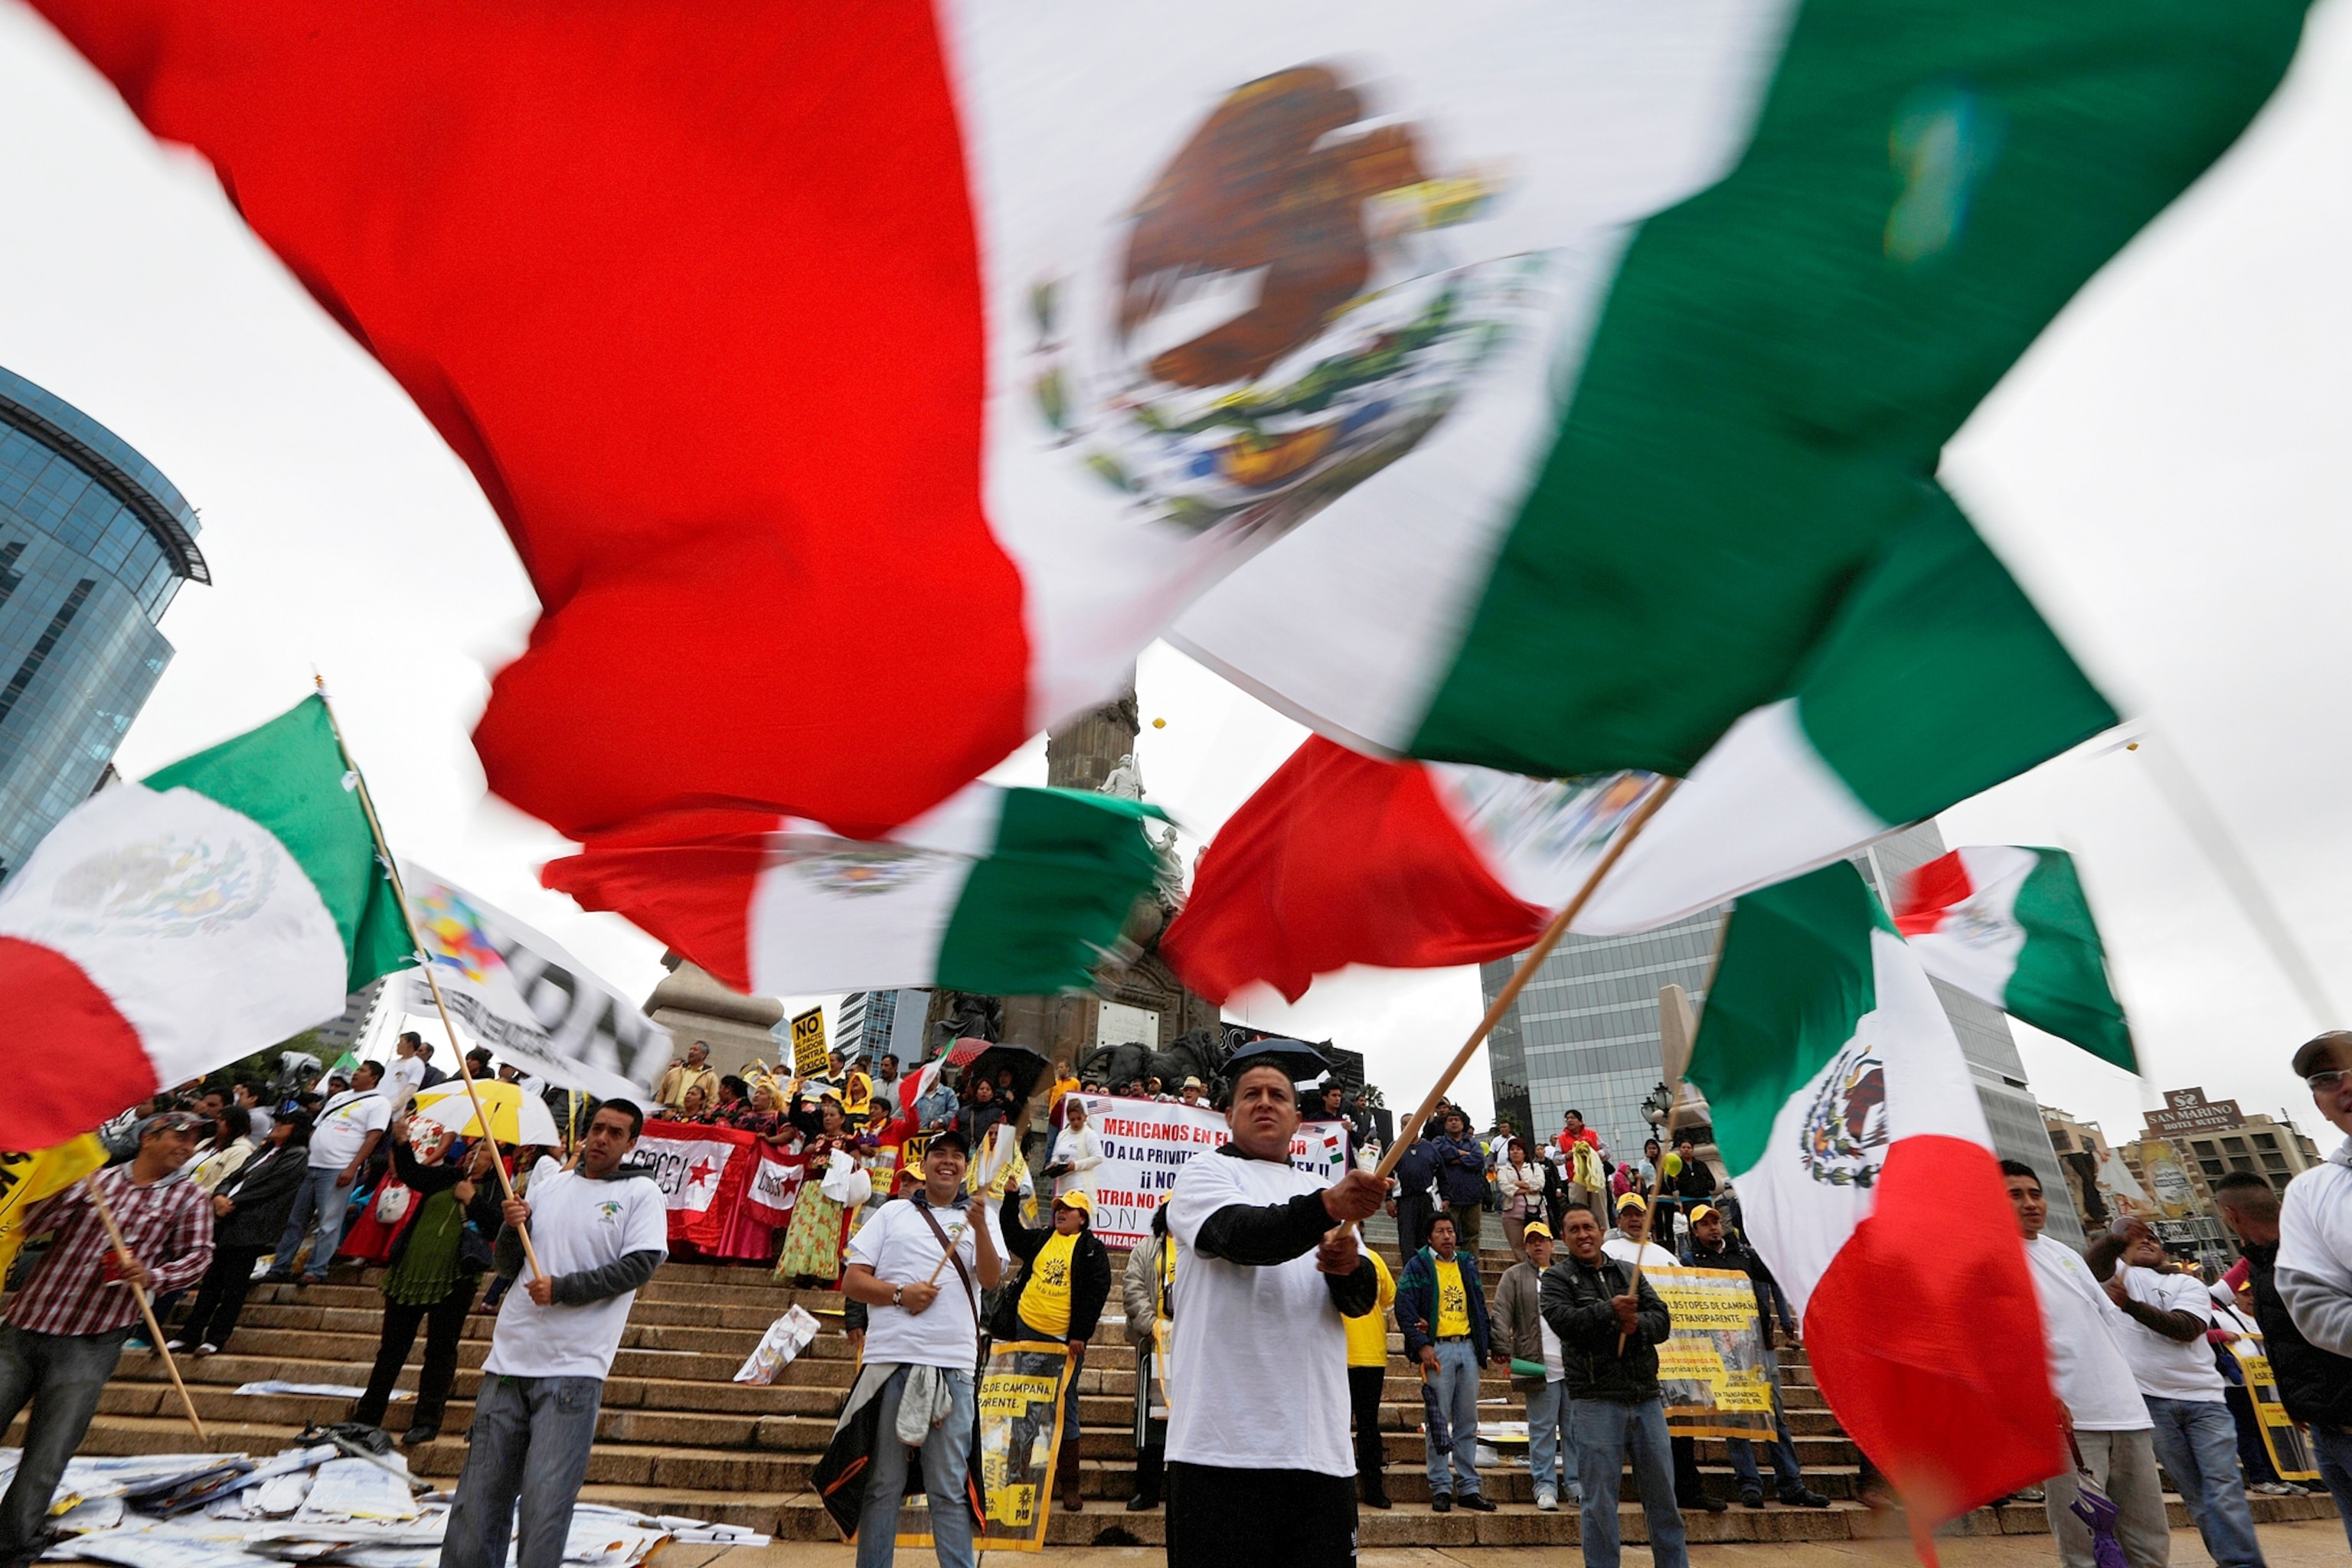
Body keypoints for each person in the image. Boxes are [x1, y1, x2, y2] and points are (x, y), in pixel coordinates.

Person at [1161, 1038, 1387, 1567]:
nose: (1265, 1103)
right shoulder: (1205, 1175)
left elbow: (1358, 1304)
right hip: (1218, 1450)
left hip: (1317, 1451)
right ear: (1228, 1113)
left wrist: (1349, 1269)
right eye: (1251, 1095)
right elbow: (1240, 1236)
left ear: (1297, 1117)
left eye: (1278, 1096)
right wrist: (1326, 1209)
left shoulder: (1321, 1188)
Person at [441, 1100, 667, 1568]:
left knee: (546, 1504)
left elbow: (640, 1265)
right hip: (508, 1362)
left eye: (616, 1133)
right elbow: (508, 1264)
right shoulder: (547, 1187)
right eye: (597, 1128)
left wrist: (564, 1289)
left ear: (631, 1143)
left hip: (574, 1368)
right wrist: (510, 1227)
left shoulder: (641, 1194)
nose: (602, 1138)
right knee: (478, 1497)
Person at [0, 1112, 213, 1564]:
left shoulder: (189, 1198)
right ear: (148, 1138)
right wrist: (65, 1190)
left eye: (195, 1139)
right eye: (180, 1136)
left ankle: (11, 1544)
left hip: (93, 1340)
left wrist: (152, 1273)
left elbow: (198, 1259)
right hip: (25, 1325)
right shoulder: (93, 1181)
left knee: (49, 1451)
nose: (188, 1145)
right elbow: (31, 1222)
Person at [825, 1129, 1005, 1568]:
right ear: (922, 1165)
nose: (948, 1162)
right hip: (890, 1364)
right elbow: (852, 1280)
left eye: (957, 1156)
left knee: (947, 1486)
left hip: (954, 1367)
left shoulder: (984, 1216)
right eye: (938, 1154)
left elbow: (990, 1279)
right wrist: (901, 1294)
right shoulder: (892, 1214)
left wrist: (981, 1227)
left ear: (966, 1167)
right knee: (883, 1483)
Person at [2004, 1160, 2170, 1568]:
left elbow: (2104, 1321)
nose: (2030, 1204)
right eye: (2015, 1195)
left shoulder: (2062, 1253)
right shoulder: (1991, 1263)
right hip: (2069, 1424)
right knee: (2085, 1550)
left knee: (2149, 1545)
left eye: (2035, 1193)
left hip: (2126, 1415)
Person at [2084, 1216, 2263, 1568]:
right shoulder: (2114, 1277)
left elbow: (2188, 1328)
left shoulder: (2186, 1282)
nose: (2146, 1241)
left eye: (2153, 1237)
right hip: (2151, 1403)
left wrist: (2131, 1307)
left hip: (2205, 1401)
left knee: (2224, 1491)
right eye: (2138, 1239)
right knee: (2198, 1498)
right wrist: (2118, 1241)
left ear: (2163, 1249)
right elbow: (2093, 1265)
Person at [1540, 1205, 1685, 1568]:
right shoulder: (1557, 1279)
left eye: (1588, 1226)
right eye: (1574, 1229)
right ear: (1564, 1237)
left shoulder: (1628, 1272)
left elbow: (1662, 1320)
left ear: (1602, 1230)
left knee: (1664, 1498)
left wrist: (1636, 1324)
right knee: (1599, 1502)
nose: (1583, 1234)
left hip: (1645, 1397)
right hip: (1595, 1401)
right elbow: (1566, 1322)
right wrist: (1609, 1311)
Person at [2217, 1167, 2352, 1540]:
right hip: (2322, 1422)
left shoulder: (2311, 1251)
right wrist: (2301, 1403)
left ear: (2230, 1216)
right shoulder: (2260, 1264)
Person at [352, 1122, 504, 1446]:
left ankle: (426, 1421)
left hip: (456, 1281)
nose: (478, 1159)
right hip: (411, 1273)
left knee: (440, 1352)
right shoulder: (446, 1176)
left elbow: (496, 1229)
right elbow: (411, 1174)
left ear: (495, 1164)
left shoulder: (496, 1191)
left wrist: (473, 1200)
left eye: (486, 1156)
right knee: (391, 1349)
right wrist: (403, 1142)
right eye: (477, 1153)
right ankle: (368, 1415)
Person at [1676, 1206, 1829, 1509]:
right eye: (1704, 1224)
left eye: (1715, 1222)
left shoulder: (1743, 1255)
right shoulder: (1690, 1261)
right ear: (1694, 1231)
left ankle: (1791, 1482)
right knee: (1736, 1418)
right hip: (1723, 1350)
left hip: (1757, 1346)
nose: (1712, 1228)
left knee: (1775, 1416)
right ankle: (1749, 1484)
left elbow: (1775, 1274)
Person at [994, 1190, 1111, 1515]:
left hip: (1065, 1344)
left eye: (1069, 1210)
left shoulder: (1091, 1250)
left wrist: (1079, 1335)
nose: (1061, 1213)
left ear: (1083, 1218)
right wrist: (1011, 1199)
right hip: (1028, 1332)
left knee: (1065, 1409)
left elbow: (1096, 1294)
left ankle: (1069, 1486)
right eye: (1059, 1208)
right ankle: (1017, 1480)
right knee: (1025, 1406)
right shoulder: (1044, 1237)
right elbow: (1012, 1234)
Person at [175, 1110, 312, 1356]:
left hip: (251, 1225)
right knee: (211, 1282)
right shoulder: (263, 1150)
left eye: (285, 1123)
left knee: (234, 1287)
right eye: (278, 1121)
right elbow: (233, 1176)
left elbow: (269, 1187)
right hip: (227, 1220)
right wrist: (220, 1194)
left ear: (296, 1129)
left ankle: (216, 1338)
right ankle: (189, 1334)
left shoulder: (297, 1156)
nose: (277, 1125)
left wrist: (232, 1201)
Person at [1398, 1213, 1493, 1512]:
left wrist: (1486, 1345)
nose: (1447, 1236)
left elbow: (1478, 1305)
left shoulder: (1466, 1264)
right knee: (1438, 1423)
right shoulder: (1418, 1265)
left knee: (1468, 1421)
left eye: (1450, 1230)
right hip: (1437, 1350)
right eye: (1440, 1231)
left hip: (1466, 1347)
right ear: (1429, 1238)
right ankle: (1440, 1486)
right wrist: (1422, 1345)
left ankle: (1468, 1487)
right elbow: (1404, 1307)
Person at [265, 1063, 391, 1284]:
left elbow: (373, 1137)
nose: (356, 1073)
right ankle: (280, 1266)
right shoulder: (337, 1098)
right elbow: (317, 1125)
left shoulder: (379, 1102)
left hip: (338, 1168)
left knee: (329, 1223)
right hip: (312, 1165)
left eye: (362, 1070)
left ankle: (316, 1270)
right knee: (295, 1221)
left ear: (375, 1077)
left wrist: (352, 1167)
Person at [1491, 1220, 1576, 1511]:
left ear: (1553, 1244)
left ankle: (1576, 1484)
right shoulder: (1514, 1276)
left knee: (1575, 1430)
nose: (1538, 1245)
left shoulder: (1567, 1274)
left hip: (1573, 1364)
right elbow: (1501, 1311)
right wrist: (1501, 1345)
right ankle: (1544, 1485)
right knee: (1541, 1429)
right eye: (1532, 1241)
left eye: (1543, 1240)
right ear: (1526, 1246)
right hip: (1534, 1362)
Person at [1122, 1203, 1175, 1512]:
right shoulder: (1146, 1248)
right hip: (1155, 1344)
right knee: (1152, 1421)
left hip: (1190, 1346)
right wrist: (1150, 1325)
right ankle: (1148, 1488)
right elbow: (1133, 1288)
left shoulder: (1198, 1249)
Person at [778, 1096, 862, 1285]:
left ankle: (819, 1275)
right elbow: (807, 1152)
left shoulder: (849, 1141)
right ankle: (800, 1271)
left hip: (831, 1191)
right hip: (810, 1189)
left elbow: (857, 1166)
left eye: (832, 1115)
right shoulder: (818, 1138)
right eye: (825, 1115)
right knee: (803, 1229)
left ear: (842, 1119)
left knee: (822, 1231)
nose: (827, 1119)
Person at [1346, 1241, 1397, 1510]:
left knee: (1353, 1425)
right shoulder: (1374, 1259)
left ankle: (1363, 1486)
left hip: (1360, 1353)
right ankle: (1373, 1488)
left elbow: (1390, 1298)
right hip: (1363, 1354)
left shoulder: (1372, 1259)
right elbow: (1389, 1299)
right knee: (1367, 1425)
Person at [1429, 1108, 1488, 1252]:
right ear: (1445, 1124)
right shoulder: (1438, 1141)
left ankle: (1471, 1268)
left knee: (1472, 1234)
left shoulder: (1473, 1143)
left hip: (1473, 1196)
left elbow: (1479, 1160)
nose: (1454, 1123)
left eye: (1457, 1120)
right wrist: (1459, 1153)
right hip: (1449, 1196)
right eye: (1450, 1120)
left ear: (1463, 1124)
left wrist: (1453, 1160)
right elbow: (1438, 1155)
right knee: (1446, 1234)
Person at [1391, 1126, 1439, 1261]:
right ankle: (1409, 1272)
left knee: (1426, 1237)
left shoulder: (1429, 1148)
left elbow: (1441, 1173)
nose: (1409, 1126)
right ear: (1401, 1127)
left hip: (1427, 1199)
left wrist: (1446, 1197)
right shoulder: (1395, 1148)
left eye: (1411, 1123)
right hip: (1405, 1200)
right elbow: (1387, 1174)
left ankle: (1427, 1271)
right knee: (1407, 1239)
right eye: (1405, 1124)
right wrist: (1388, 1199)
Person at [1044, 1097, 1102, 1200]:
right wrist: (1054, 1164)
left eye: (1079, 1119)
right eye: (1072, 1119)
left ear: (1085, 1117)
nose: (1076, 1123)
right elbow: (1056, 1156)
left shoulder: (1090, 1134)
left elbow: (1098, 1158)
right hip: (1062, 1188)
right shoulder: (1063, 1134)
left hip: (1081, 1187)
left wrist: (1076, 1165)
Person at [1496, 1136, 1544, 1259]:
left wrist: (1517, 1184)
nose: (1515, 1152)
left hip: (1535, 1213)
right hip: (1511, 1215)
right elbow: (1505, 1188)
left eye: (1518, 1149)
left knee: (1538, 1246)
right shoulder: (1503, 1169)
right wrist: (1527, 1188)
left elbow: (1539, 1184)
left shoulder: (1535, 1167)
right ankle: (1525, 1273)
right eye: (1512, 1149)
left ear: (1524, 1152)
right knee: (1518, 1248)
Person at [657, 1041, 720, 1114]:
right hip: (669, 1115)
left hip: (693, 1119)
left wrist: (704, 1115)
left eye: (695, 1050)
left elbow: (713, 1100)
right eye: (690, 1049)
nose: (691, 1052)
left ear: (703, 1055)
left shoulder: (711, 1077)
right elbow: (661, 1095)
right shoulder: (674, 1072)